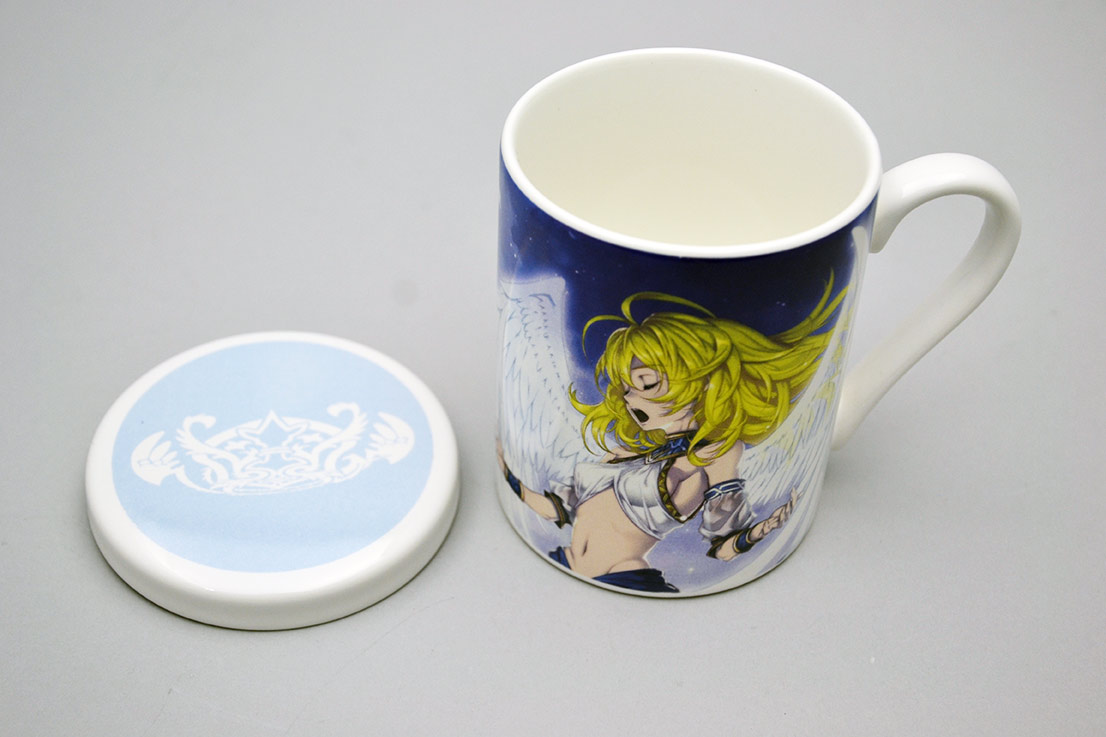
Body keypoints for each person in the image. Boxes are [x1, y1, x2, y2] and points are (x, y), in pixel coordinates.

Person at [499, 279, 845, 592]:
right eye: (626, 389)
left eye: (646, 383)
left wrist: (761, 531)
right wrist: (508, 474)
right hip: (565, 559)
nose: (630, 399)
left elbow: (723, 548)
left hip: (623, 578)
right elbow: (560, 509)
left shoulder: (714, 454)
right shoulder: (625, 452)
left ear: (703, 382)